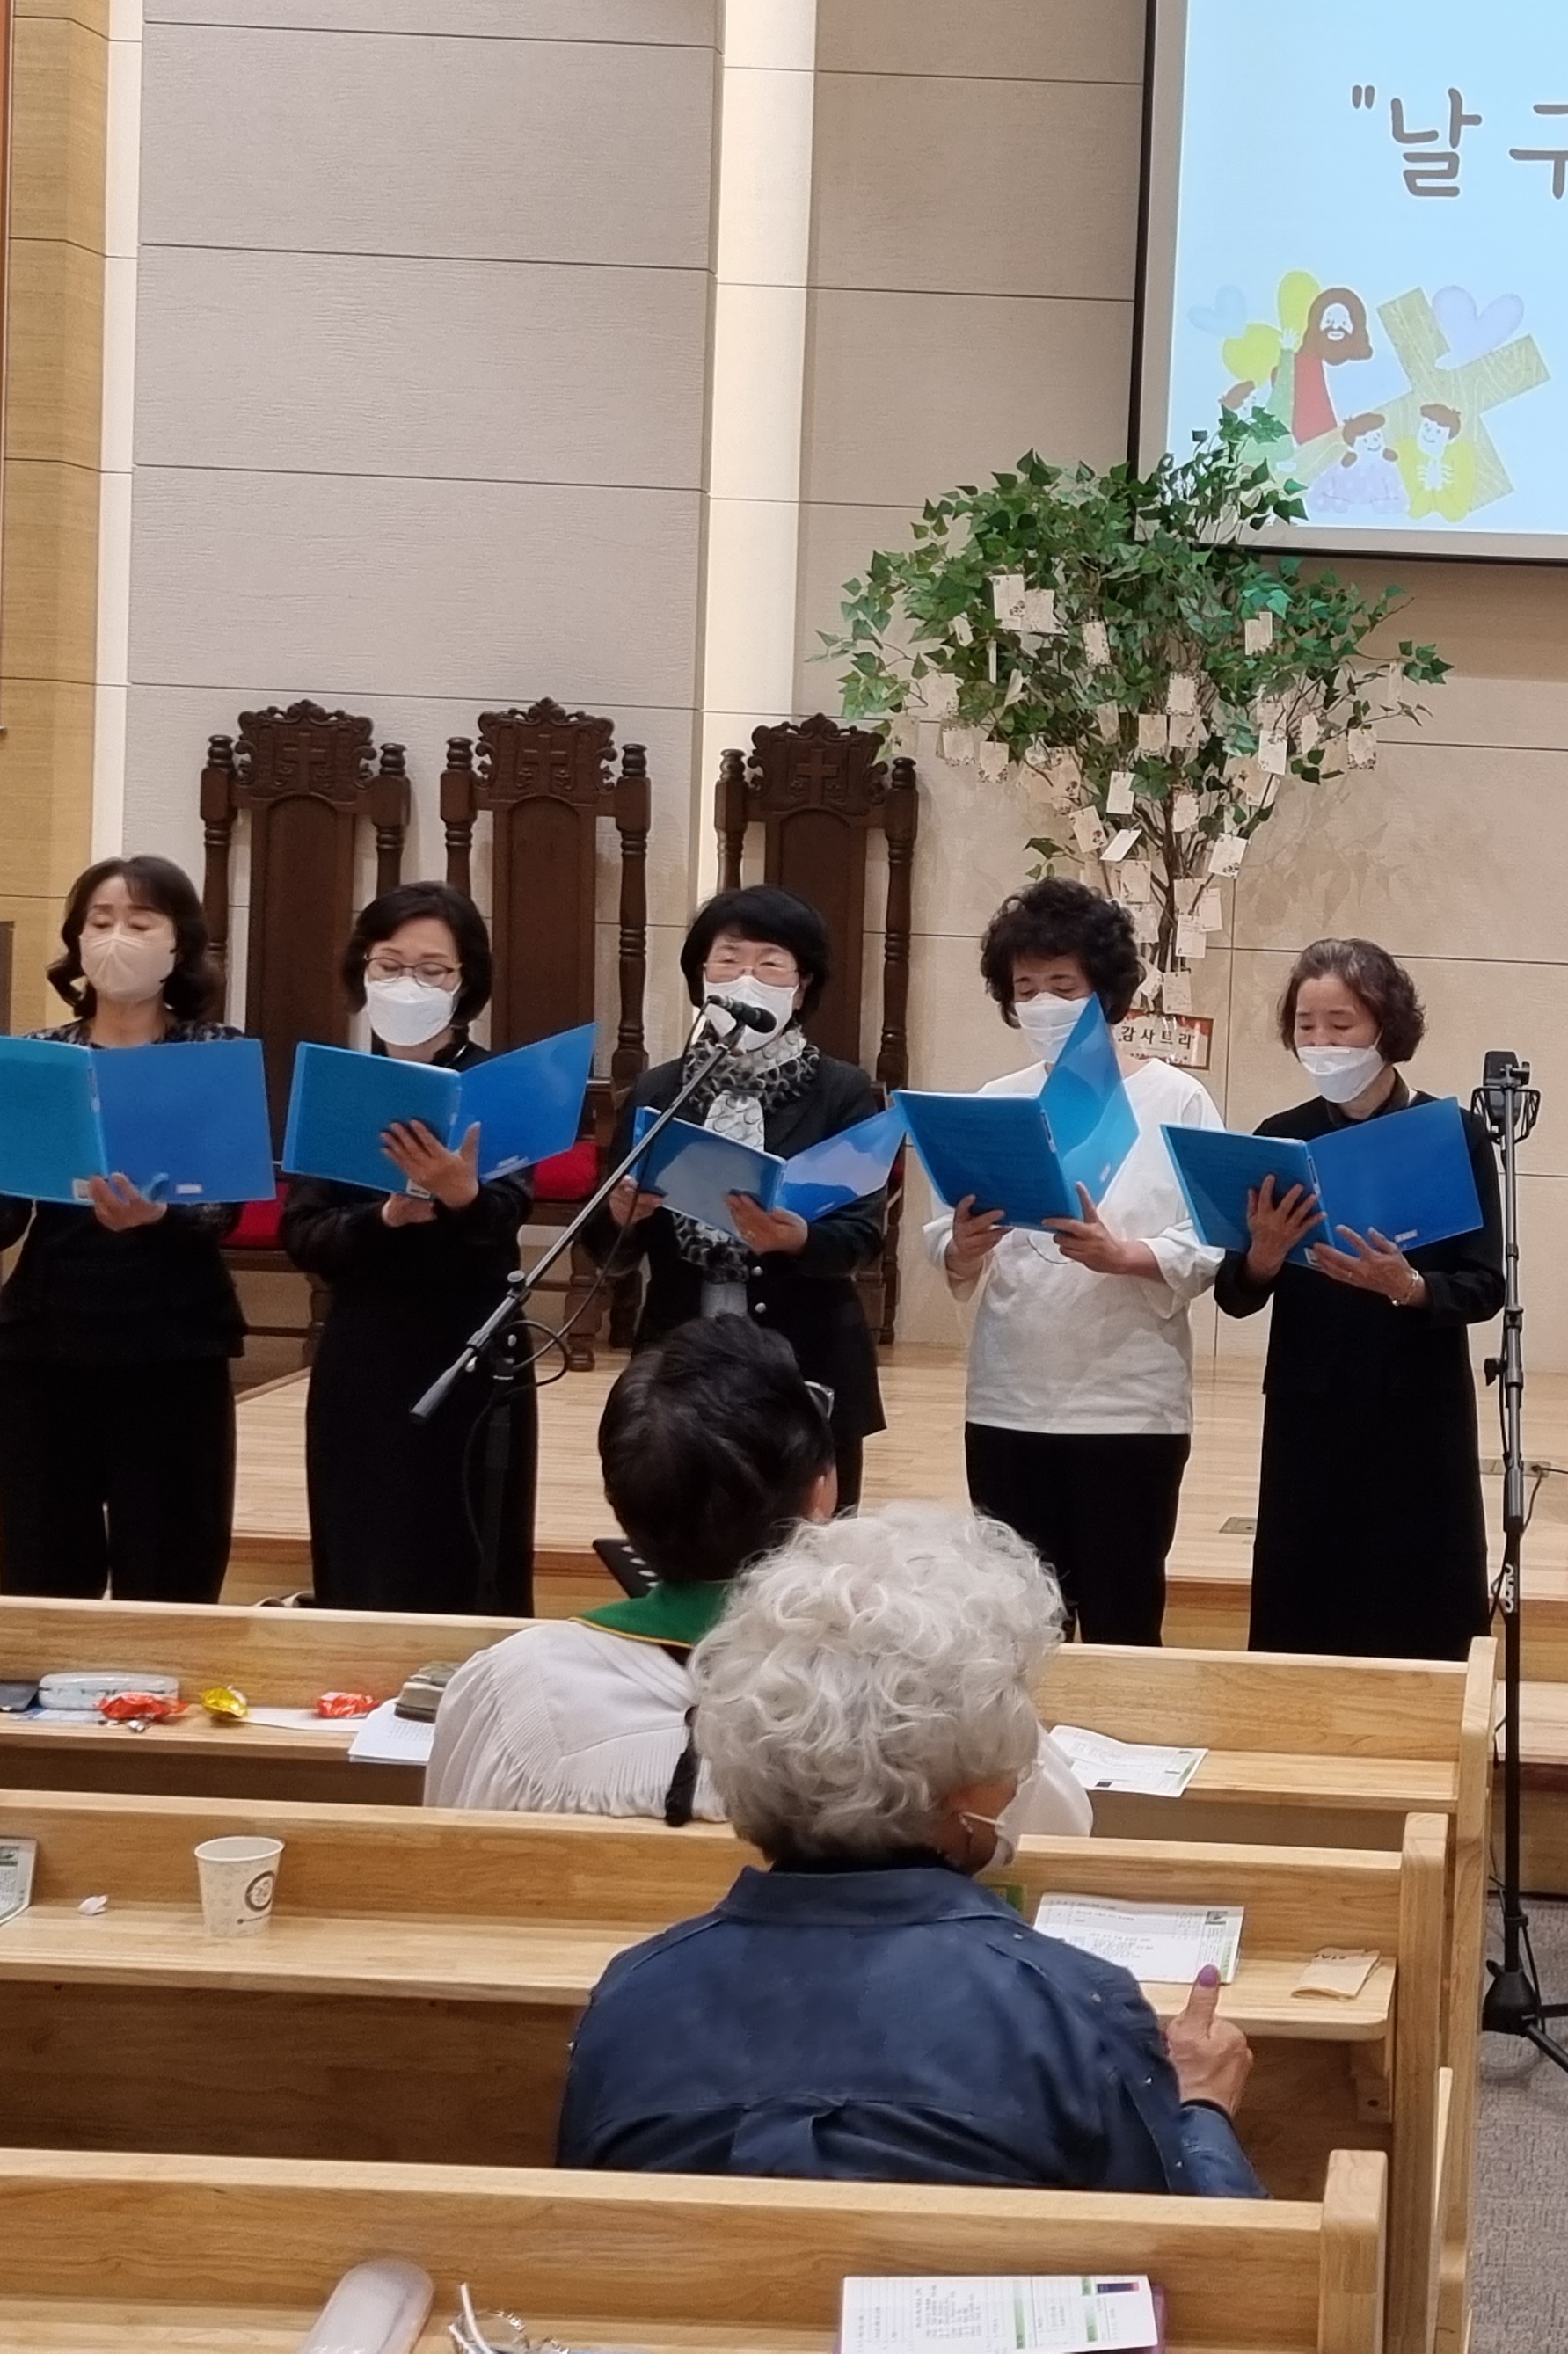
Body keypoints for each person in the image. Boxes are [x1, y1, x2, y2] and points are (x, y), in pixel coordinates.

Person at [556, 1505, 1259, 2195]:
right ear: (968, 1785)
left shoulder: (630, 1998)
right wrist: (1201, 2107)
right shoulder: (1071, 2010)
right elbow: (1195, 2251)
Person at [427, 1316, 1091, 1835]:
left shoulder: (510, 1685)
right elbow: (1062, 1830)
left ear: (620, 1502)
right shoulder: (932, 1696)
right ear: (823, 1495)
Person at [0, 856, 247, 1602]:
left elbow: (221, 1212)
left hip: (173, 1341)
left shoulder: (211, 1053)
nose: (116, 938)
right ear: (76, 939)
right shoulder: (39, 1057)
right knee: (42, 1570)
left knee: (171, 1572)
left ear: (178, 942)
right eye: (100, 922)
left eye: (140, 922)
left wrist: (156, 1218)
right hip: (47, 1339)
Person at [927, 880, 1222, 1645]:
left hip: (1128, 1404)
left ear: (1106, 991)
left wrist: (1125, 1255)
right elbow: (944, 1234)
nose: (1043, 1004)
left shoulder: (1175, 1098)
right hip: (1009, 1398)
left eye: (1063, 985)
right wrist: (960, 1246)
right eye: (1026, 989)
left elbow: (1211, 1241)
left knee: (1124, 1618)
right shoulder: (997, 1098)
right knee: (1018, 1623)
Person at [1214, 939, 1501, 1659]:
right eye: (1306, 1025)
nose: (1322, 1042)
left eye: (1340, 1025)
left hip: (1417, 1407)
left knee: (1420, 1595)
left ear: (1386, 1025)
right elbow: (1234, 1296)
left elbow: (1484, 1285)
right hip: (1311, 1405)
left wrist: (1408, 1286)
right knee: (1305, 1596)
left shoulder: (1453, 1134)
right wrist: (1263, 1258)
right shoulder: (1282, 1137)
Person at [279, 884, 541, 1614]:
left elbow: (508, 1217)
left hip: (474, 1352)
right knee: (365, 1553)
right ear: (362, 970)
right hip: (366, 1357)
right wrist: (385, 1218)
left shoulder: (500, 1085)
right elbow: (303, 1233)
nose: (408, 984)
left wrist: (461, 1194)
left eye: (432, 970)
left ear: (465, 982)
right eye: (389, 965)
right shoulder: (339, 1084)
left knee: (470, 1553)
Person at [602, 885, 889, 1508]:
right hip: (681, 1357)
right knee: (688, 1527)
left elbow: (863, 1235)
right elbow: (607, 1250)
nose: (747, 980)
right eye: (728, 961)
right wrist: (622, 1217)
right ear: (701, 978)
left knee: (807, 1546)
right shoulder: (660, 1091)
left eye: (770, 964)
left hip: (808, 1358)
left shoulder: (841, 1092)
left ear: (802, 986)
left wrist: (798, 1238)